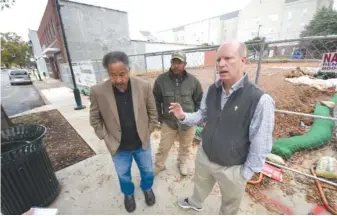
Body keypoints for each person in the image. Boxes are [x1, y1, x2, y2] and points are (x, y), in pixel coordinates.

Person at [170, 41, 275, 214]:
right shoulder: (212, 90)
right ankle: (196, 203)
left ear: (243, 61)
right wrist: (183, 116)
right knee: (200, 185)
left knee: (230, 203)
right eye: (219, 59)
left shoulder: (260, 100)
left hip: (232, 168)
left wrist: (245, 174)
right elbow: (203, 115)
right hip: (205, 156)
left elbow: (261, 143)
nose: (221, 64)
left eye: (228, 58)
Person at [89, 51, 158, 213]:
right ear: (107, 73)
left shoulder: (144, 86)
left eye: (122, 74)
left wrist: (148, 131)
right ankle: (128, 194)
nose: (118, 80)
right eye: (113, 75)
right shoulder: (98, 91)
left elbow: (153, 113)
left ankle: (147, 188)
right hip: (118, 146)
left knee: (147, 170)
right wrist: (105, 137)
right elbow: (94, 119)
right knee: (123, 174)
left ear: (129, 69)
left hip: (142, 142)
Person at [152, 50, 203, 176]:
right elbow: (155, 100)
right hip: (169, 122)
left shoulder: (193, 81)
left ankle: (182, 163)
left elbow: (199, 100)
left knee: (185, 146)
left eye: (179, 62)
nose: (176, 65)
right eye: (174, 62)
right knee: (163, 147)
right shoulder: (161, 80)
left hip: (188, 122)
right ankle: (159, 165)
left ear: (184, 64)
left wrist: (195, 118)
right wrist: (160, 118)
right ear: (171, 62)